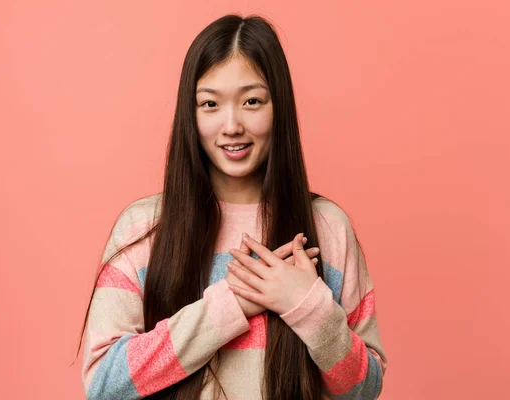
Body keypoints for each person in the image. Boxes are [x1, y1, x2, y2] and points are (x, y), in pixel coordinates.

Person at [76, 14, 388, 400]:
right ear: (190, 114)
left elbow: (364, 389)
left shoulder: (327, 227)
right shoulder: (143, 229)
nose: (231, 125)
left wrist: (308, 308)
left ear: (280, 109)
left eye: (252, 101)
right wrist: (231, 305)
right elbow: (104, 387)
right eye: (210, 103)